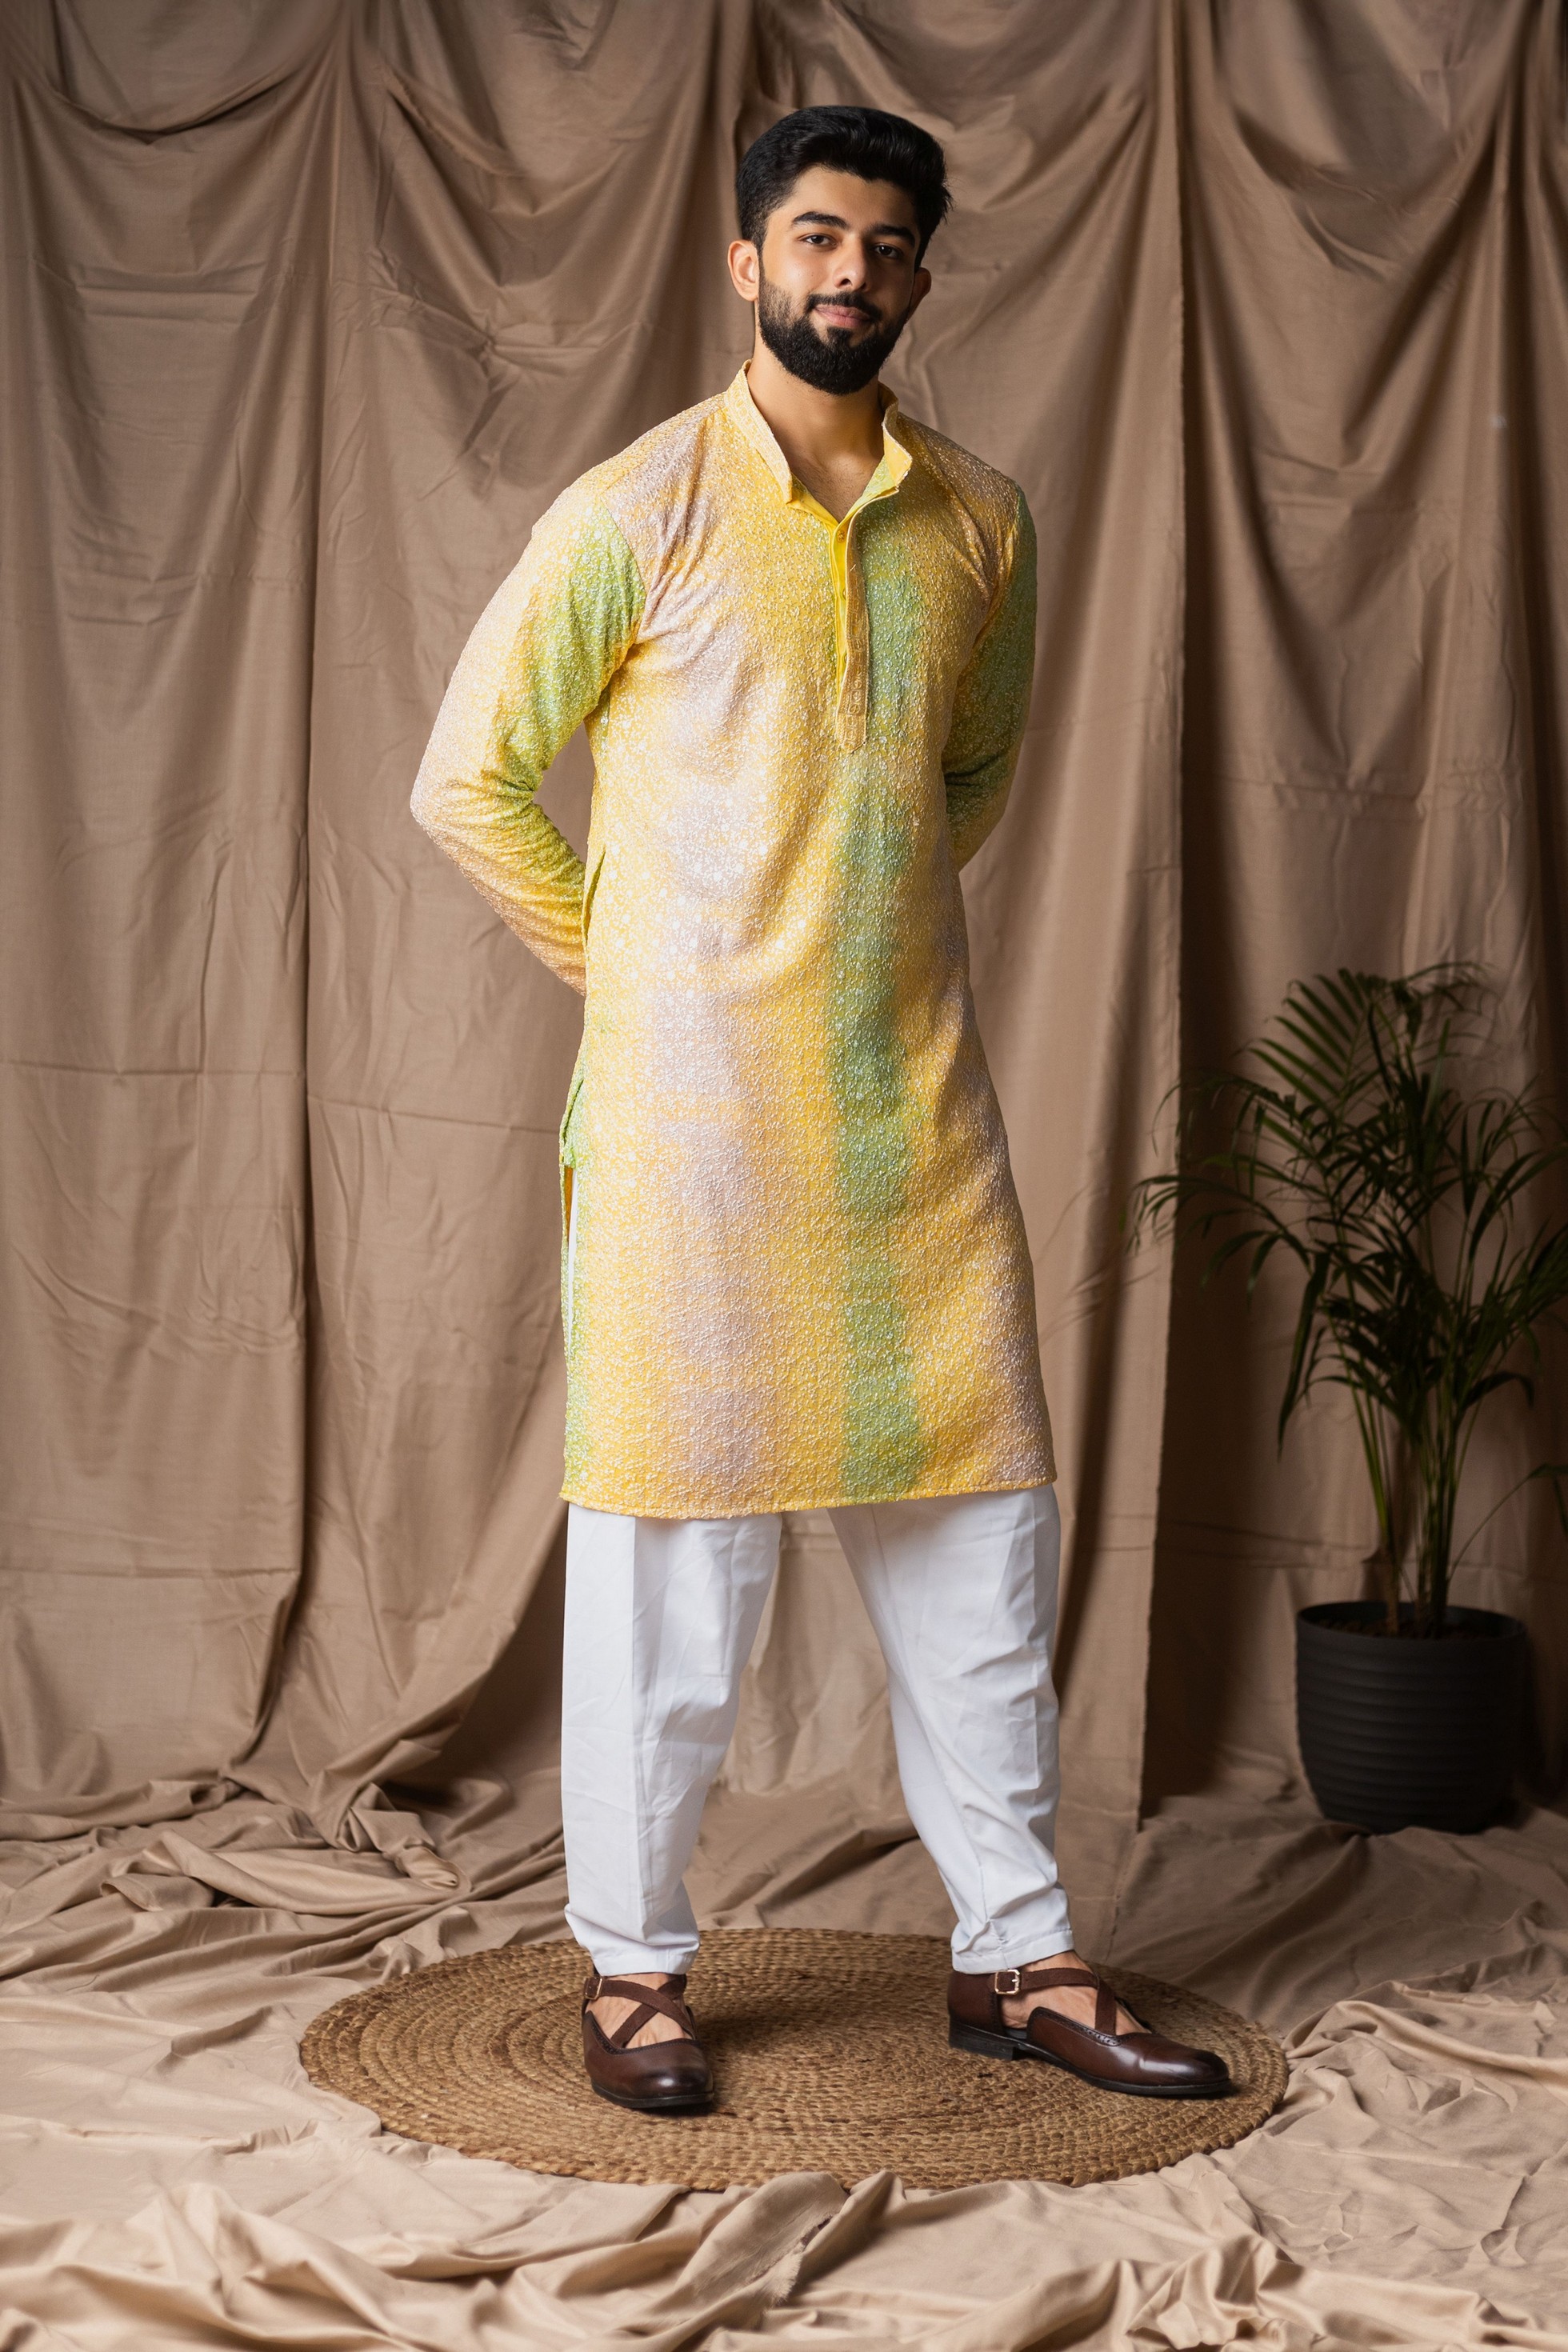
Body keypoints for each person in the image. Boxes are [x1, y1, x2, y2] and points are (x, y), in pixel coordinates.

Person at [412, 106, 1227, 2113]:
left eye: (880, 243)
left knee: (979, 1548)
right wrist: (649, 974)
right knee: (671, 1578)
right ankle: (632, 1970)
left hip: (911, 1125)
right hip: (688, 1142)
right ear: (746, 261)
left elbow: (968, 775)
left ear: (919, 274)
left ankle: (1018, 1957)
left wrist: (844, 952)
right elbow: (468, 781)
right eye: (811, 236)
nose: (845, 271)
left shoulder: (981, 524)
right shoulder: (635, 507)